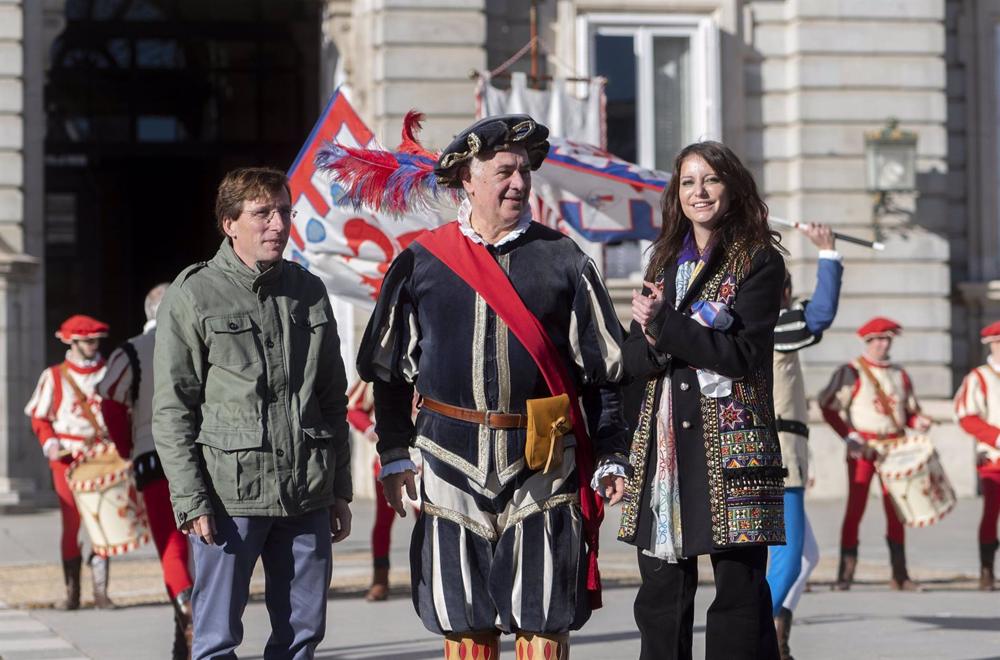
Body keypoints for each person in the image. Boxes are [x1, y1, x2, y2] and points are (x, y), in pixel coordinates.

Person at [354, 114, 629, 659]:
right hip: (447, 460)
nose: (519, 183)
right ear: (468, 180)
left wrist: (612, 452)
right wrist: (392, 452)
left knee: (544, 612)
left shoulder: (566, 258)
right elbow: (387, 372)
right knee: (463, 616)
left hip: (542, 463)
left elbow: (605, 372)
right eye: (505, 171)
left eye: (525, 171)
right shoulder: (419, 263)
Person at [152, 167, 353, 660]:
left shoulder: (309, 290)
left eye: (284, 212)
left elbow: (332, 398)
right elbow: (173, 408)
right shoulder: (193, 294)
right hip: (228, 497)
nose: (278, 225)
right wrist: (191, 499)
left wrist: (339, 489)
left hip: (307, 492)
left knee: (303, 635)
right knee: (217, 639)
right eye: (262, 213)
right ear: (229, 223)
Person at [623, 140, 786, 660]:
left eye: (710, 180)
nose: (699, 192)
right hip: (665, 450)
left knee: (739, 597)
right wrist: (650, 339)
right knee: (661, 598)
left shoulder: (759, 261)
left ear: (731, 187)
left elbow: (742, 355)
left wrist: (663, 327)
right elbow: (631, 359)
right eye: (688, 182)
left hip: (732, 451)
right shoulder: (663, 260)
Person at [97, 283, 194, 659]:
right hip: (202, 455)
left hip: (153, 457)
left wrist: (125, 448)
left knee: (171, 548)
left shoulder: (131, 352)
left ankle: (189, 613)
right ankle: (186, 636)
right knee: (200, 548)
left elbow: (110, 402)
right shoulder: (198, 343)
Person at [766, 224, 843, 659]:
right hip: (779, 458)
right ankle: (751, 638)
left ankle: (778, 642)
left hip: (788, 454)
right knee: (788, 561)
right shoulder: (773, 324)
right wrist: (828, 253)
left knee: (807, 557)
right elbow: (820, 315)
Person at [818, 317, 933, 591]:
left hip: (895, 448)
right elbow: (828, 406)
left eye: (887, 339)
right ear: (867, 341)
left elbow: (909, 414)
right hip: (864, 449)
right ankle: (845, 574)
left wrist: (920, 422)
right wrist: (849, 435)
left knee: (897, 508)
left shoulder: (899, 374)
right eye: (879, 339)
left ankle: (900, 574)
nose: (883, 344)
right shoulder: (851, 371)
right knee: (855, 508)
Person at [25, 314, 115, 610]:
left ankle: (101, 592)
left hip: (103, 457)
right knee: (71, 522)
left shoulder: (109, 370)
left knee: (104, 522)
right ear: (72, 341)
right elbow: (39, 416)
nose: (92, 346)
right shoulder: (54, 375)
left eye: (96, 341)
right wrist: (49, 442)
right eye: (87, 341)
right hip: (67, 459)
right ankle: (73, 593)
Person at [953, 320, 1000, 591]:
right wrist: (995, 436)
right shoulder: (978, 377)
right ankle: (987, 570)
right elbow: (965, 416)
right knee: (991, 511)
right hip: (992, 455)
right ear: (991, 345)